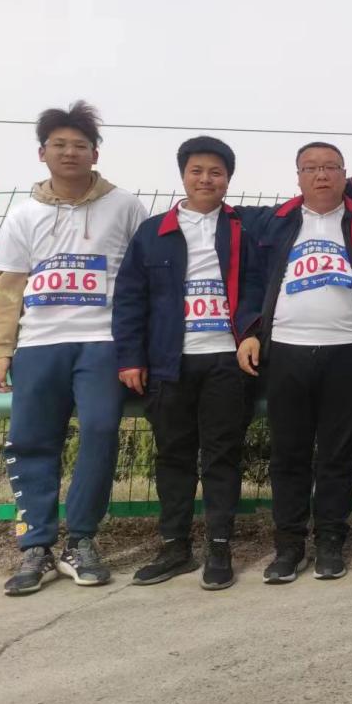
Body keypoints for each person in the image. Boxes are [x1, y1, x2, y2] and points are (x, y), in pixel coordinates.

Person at [0, 101, 147, 596]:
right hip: (39, 344)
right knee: (31, 441)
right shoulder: (23, 215)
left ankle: (81, 541)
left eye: (80, 145)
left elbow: (143, 278)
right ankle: (35, 546)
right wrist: (2, 348)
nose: (70, 152)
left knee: (99, 432)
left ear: (95, 153)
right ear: (43, 153)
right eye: (59, 144)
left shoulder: (125, 206)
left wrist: (137, 346)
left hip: (103, 343)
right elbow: (9, 287)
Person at [236, 142, 352, 584]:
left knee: (337, 454)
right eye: (310, 168)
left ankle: (330, 542)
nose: (321, 175)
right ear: (298, 176)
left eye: (330, 167)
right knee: (288, 453)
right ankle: (288, 546)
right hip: (285, 350)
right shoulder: (274, 223)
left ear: (344, 174)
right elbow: (251, 282)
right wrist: (248, 332)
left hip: (348, 351)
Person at [112, 136, 260, 590]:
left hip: (226, 361)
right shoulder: (153, 232)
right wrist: (131, 357)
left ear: (228, 179)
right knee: (173, 456)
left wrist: (251, 334)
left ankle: (219, 547)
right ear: (183, 175)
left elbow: (258, 288)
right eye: (197, 171)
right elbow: (130, 298)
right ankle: (175, 546)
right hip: (168, 364)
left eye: (216, 172)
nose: (206, 179)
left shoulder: (244, 229)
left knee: (221, 455)